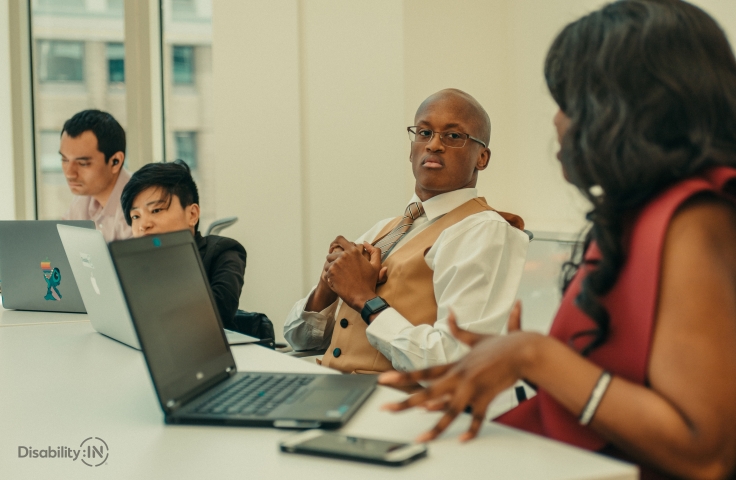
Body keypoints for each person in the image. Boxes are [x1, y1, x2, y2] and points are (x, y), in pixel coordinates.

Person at [378, 1, 736, 478]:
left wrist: (533, 355)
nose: (557, 123)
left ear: (626, 111)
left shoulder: (694, 218)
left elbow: (704, 453)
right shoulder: (639, 215)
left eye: (569, 103)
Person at [284, 89, 529, 378]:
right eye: (424, 132)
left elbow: (452, 364)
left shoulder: (484, 230)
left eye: (453, 136)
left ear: (482, 158)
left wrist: (364, 298)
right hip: (332, 389)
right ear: (411, 148)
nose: (434, 145)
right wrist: (329, 286)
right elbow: (299, 341)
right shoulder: (383, 229)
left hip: (396, 407)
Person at [120, 160, 247, 330]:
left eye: (156, 210)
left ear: (192, 214)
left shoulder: (223, 252)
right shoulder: (133, 264)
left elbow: (218, 315)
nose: (143, 225)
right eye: (136, 216)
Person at [61, 109, 132, 242]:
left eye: (82, 163)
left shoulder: (142, 207)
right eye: (65, 160)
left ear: (115, 162)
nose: (70, 174)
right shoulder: (81, 200)